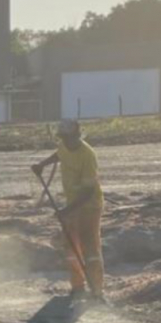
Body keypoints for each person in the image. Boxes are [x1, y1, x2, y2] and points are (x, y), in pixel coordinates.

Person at [31, 119, 105, 300]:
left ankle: (96, 290)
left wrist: (66, 211)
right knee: (71, 248)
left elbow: (88, 193)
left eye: (69, 138)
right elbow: (59, 155)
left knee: (91, 249)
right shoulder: (64, 146)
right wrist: (42, 165)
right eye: (63, 138)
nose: (66, 142)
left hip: (89, 207)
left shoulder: (87, 155)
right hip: (72, 206)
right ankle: (77, 287)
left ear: (77, 136)